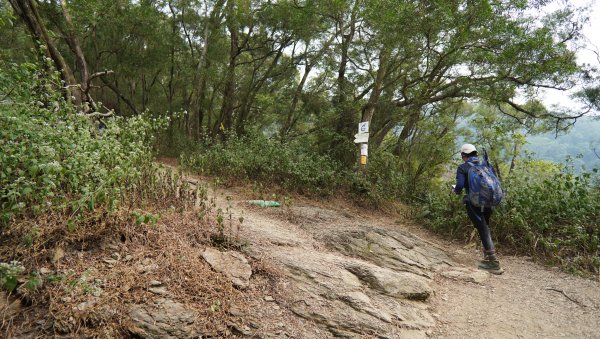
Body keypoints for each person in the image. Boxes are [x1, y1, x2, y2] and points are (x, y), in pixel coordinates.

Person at [452, 143, 504, 274]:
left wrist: (455, 190)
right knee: (485, 226)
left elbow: (459, 186)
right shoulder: (486, 165)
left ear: (463, 155)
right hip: (489, 201)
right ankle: (488, 256)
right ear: (475, 153)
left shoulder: (463, 167)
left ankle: (493, 262)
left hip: (473, 203)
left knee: (482, 228)